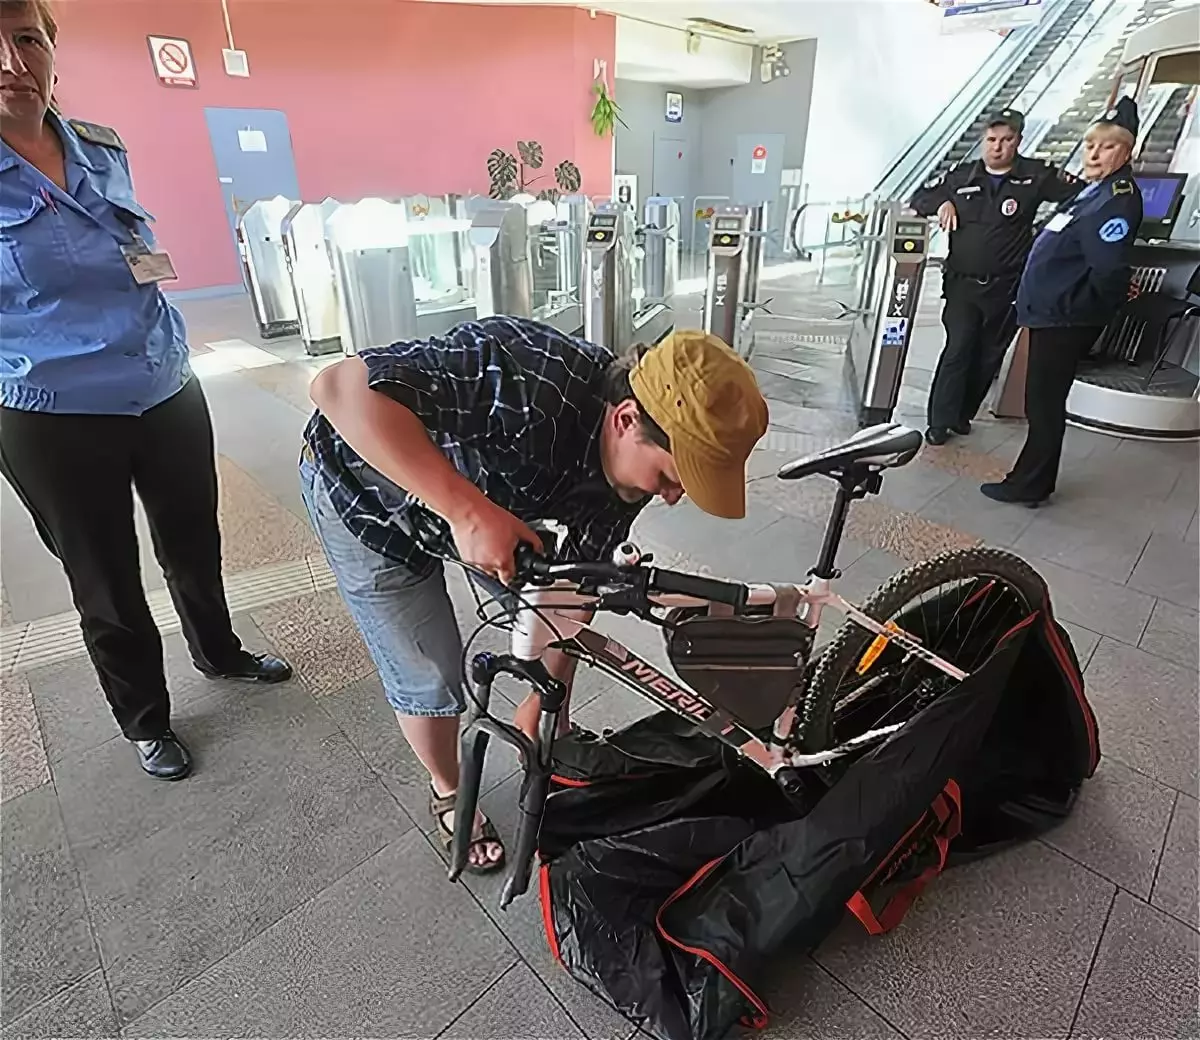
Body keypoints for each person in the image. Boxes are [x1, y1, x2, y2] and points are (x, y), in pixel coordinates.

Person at [301, 318, 768, 872]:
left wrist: (546, 694)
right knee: (427, 669)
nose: (670, 497)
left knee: (549, 613)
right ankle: (450, 789)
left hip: (491, 503)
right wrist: (467, 512)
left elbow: (575, 589)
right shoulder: (529, 375)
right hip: (363, 486)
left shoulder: (626, 471)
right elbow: (337, 387)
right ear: (625, 420)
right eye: (671, 477)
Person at [0, 0, 292, 781]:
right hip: (53, 411)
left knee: (194, 540)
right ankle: (145, 718)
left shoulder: (101, 148)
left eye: (27, 38)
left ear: (51, 49)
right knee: (106, 579)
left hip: (163, 381)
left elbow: (136, 246)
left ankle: (219, 651)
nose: (12, 61)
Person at [982, 97, 1144, 506]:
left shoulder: (1117, 198)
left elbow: (1108, 270)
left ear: (1126, 152)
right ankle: (1029, 475)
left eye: (1106, 146)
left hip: (1066, 317)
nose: (1093, 152)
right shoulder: (1093, 193)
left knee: (1044, 402)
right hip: (1052, 312)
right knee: (1040, 400)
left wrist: (1087, 313)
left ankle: (1031, 484)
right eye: (1090, 144)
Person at [910, 108, 1083, 445]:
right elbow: (919, 198)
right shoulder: (962, 176)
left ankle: (963, 416)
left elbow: (1079, 197)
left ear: (1018, 141)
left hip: (1007, 286)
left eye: (1006, 140)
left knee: (989, 354)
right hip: (962, 283)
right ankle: (940, 421)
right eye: (991, 140)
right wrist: (943, 202)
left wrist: (1047, 234)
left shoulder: (1036, 175)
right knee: (958, 349)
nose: (997, 147)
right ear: (982, 141)